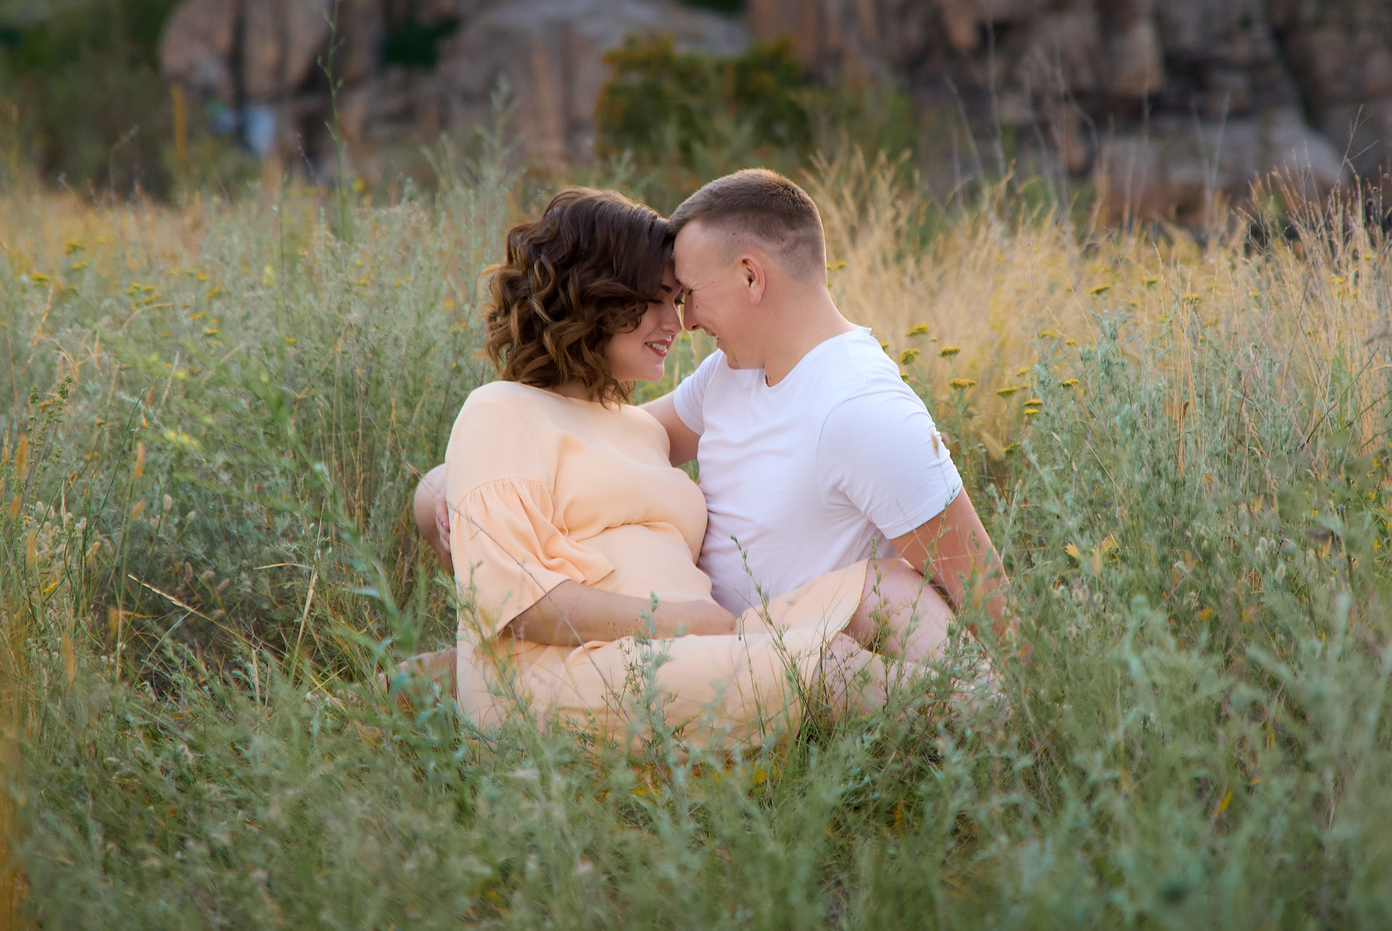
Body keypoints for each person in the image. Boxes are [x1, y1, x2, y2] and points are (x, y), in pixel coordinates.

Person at [412, 169, 1010, 701]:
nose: (685, 322)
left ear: (752, 276)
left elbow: (984, 587)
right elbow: (599, 450)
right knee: (820, 661)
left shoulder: (864, 415)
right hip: (682, 639)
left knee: (892, 591)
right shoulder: (726, 377)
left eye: (688, 295)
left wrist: (1043, 685)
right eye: (666, 300)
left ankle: (1008, 720)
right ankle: (987, 720)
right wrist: (447, 484)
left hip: (754, 635)